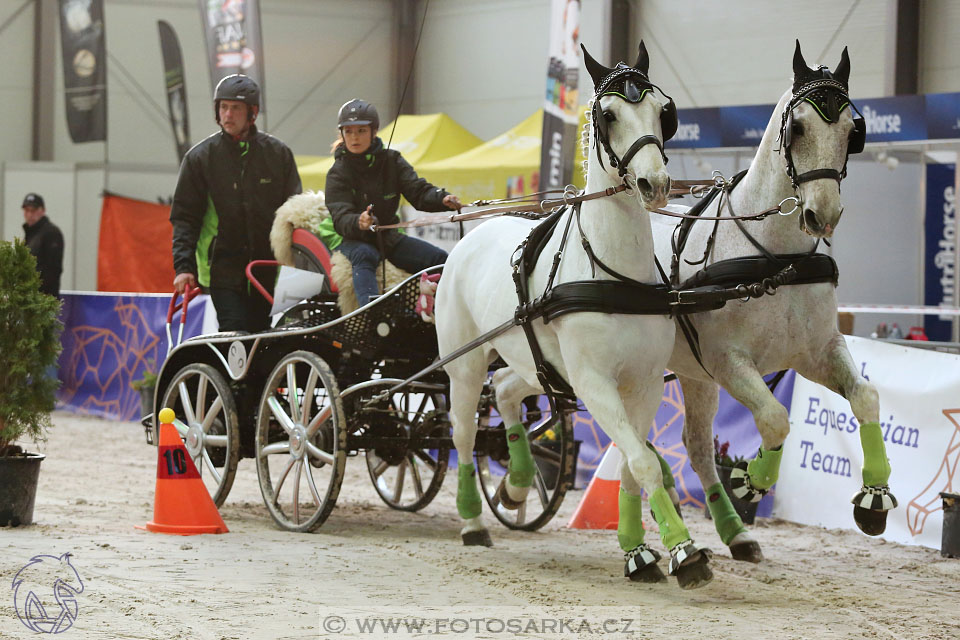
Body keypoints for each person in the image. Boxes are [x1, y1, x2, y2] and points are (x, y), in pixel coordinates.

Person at [170, 74, 301, 332]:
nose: (227, 114)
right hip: (221, 268)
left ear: (253, 113)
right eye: (223, 107)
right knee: (234, 330)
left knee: (261, 333)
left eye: (235, 108)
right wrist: (183, 267)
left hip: (267, 268)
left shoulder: (278, 154)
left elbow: (294, 213)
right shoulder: (200, 158)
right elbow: (185, 219)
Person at [322, 98, 461, 307]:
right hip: (352, 240)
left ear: (374, 131)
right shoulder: (337, 172)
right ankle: (372, 316)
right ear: (342, 134)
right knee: (365, 254)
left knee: (440, 260)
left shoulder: (393, 160)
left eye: (360, 131)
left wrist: (442, 198)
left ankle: (444, 313)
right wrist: (358, 221)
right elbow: (340, 217)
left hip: (389, 238)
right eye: (348, 131)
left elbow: (418, 191)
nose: (354, 137)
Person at [21, 193, 64, 297]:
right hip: (29, 298)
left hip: (43, 300)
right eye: (27, 210)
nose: (30, 215)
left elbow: (52, 270)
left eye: (33, 210)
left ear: (43, 210)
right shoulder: (30, 235)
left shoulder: (51, 233)